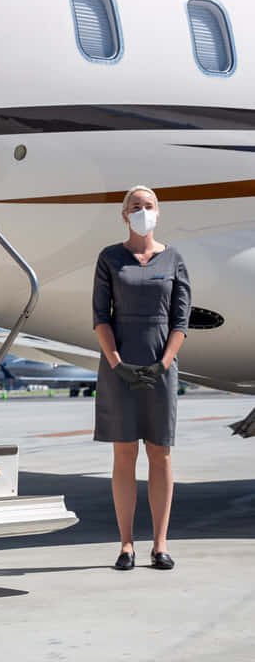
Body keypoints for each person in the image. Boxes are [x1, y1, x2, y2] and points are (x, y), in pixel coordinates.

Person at [92, 185, 191, 571]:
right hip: (120, 367)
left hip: (160, 367)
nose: (142, 211)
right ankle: (126, 544)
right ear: (124, 214)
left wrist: (164, 363)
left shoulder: (175, 260)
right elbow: (101, 316)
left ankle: (160, 544)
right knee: (123, 453)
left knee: (160, 453)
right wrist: (117, 363)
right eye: (136, 206)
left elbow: (180, 321)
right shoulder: (110, 258)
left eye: (148, 206)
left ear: (158, 213)